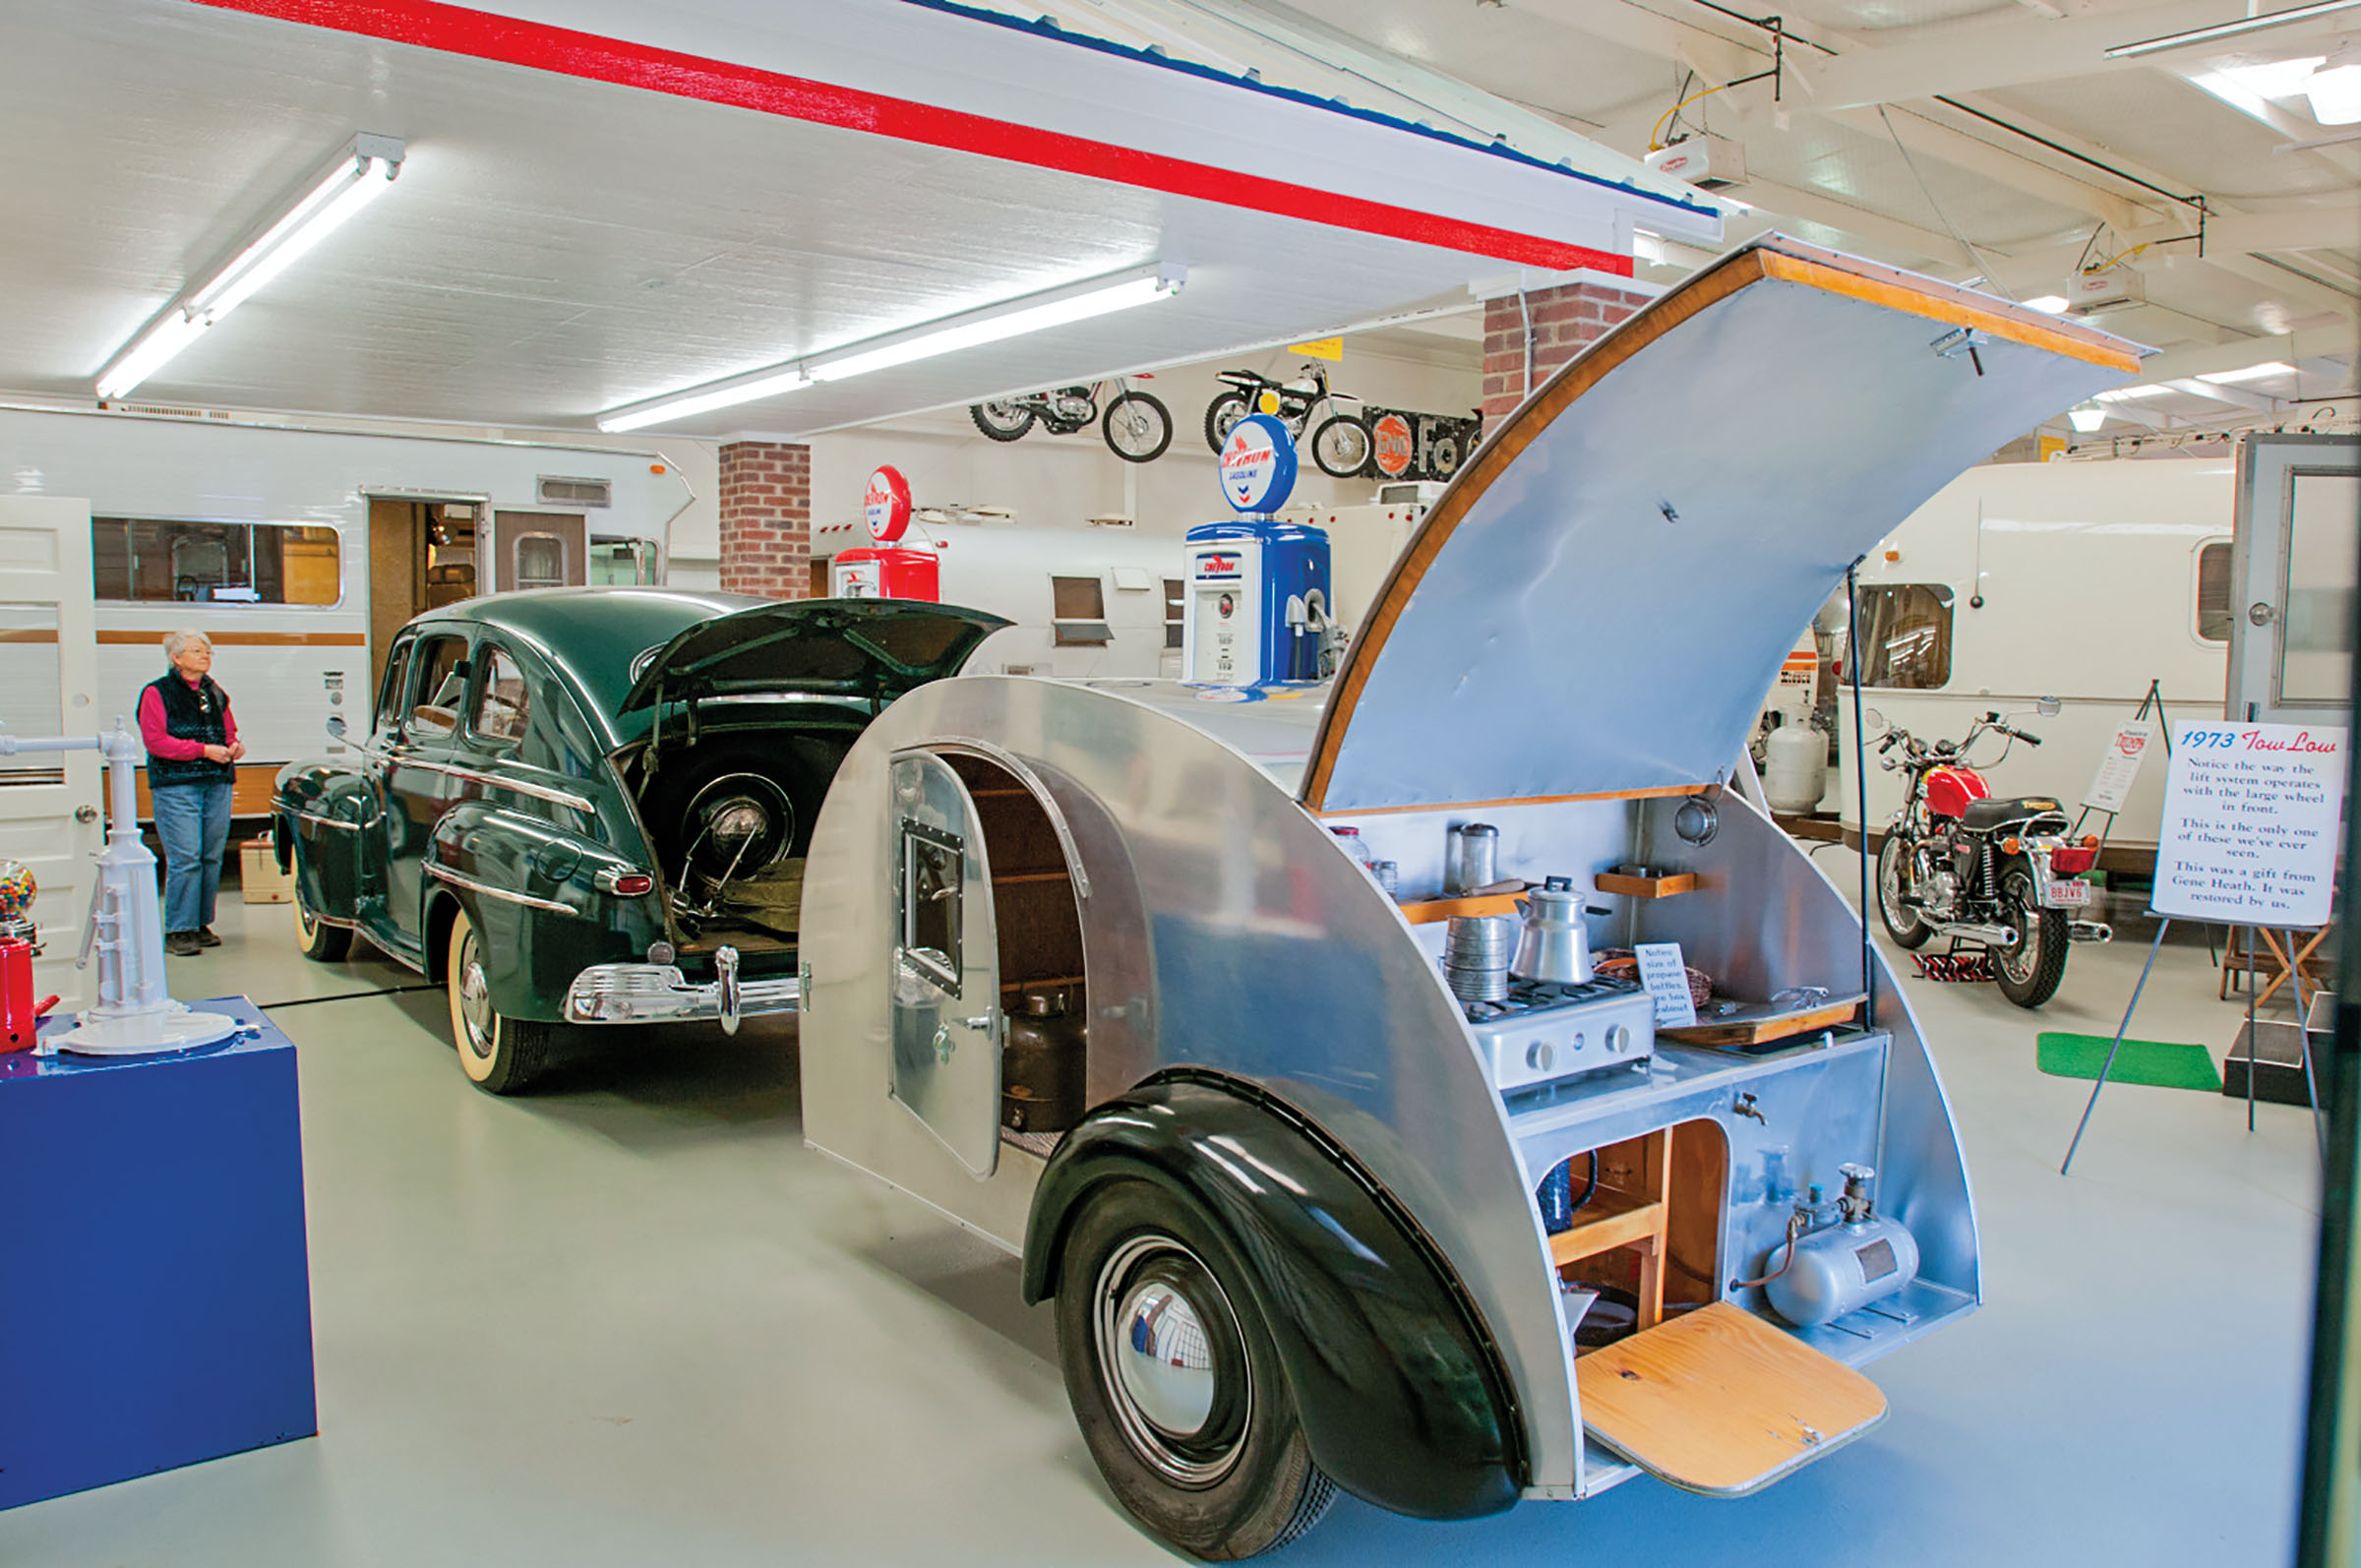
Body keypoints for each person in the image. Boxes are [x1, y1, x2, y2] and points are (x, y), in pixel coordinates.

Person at [139, 631, 244, 957]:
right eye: (197, 650)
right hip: (177, 785)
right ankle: (179, 930)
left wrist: (233, 747)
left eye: (208, 651)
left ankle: (200, 923)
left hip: (217, 782)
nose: (205, 656)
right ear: (176, 657)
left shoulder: (215, 692)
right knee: (185, 857)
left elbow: (229, 730)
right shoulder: (156, 693)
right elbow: (156, 742)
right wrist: (202, 750)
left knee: (211, 855)